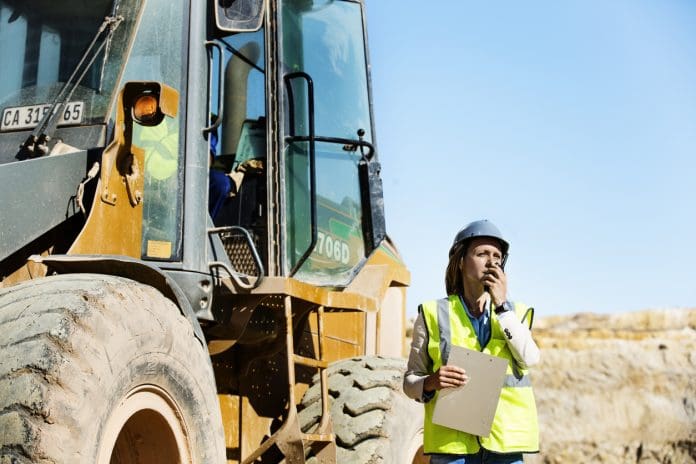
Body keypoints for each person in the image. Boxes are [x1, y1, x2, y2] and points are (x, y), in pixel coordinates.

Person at [403, 220, 540, 464]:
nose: (491, 261)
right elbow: (410, 380)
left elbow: (530, 358)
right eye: (482, 253)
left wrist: (502, 307)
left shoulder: (514, 313)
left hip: (504, 448)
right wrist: (431, 382)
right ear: (461, 261)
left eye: (497, 256)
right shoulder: (433, 314)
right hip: (452, 448)